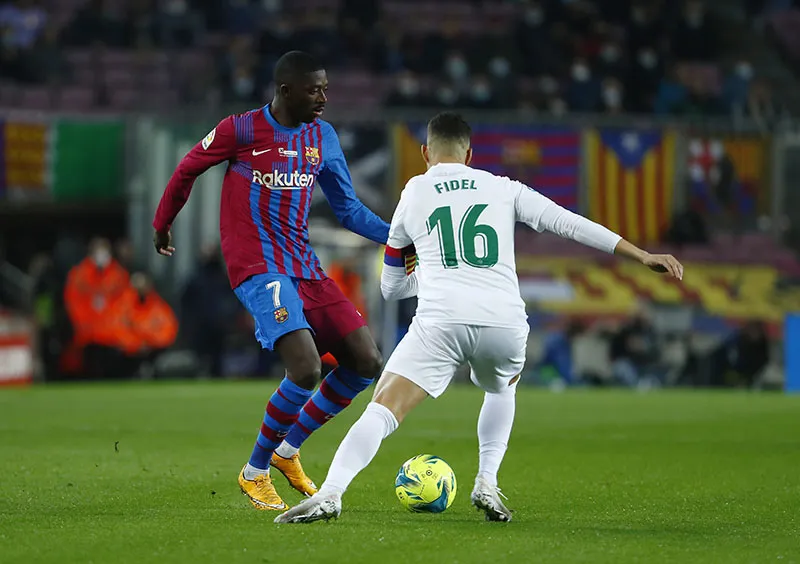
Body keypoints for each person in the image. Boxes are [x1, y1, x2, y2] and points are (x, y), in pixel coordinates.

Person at [275, 112, 684, 524]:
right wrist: (642, 255)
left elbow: (391, 288)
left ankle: (331, 493)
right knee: (502, 388)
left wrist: (432, 277)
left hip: (441, 321)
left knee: (382, 410)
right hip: (504, 322)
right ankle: (487, 481)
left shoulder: (414, 192)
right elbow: (569, 224)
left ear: (425, 153)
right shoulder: (502, 188)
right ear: (470, 154)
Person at [152, 51, 397, 511]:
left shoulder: (322, 137)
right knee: (305, 367)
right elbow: (187, 168)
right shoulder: (240, 130)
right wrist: (163, 223)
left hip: (303, 265)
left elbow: (347, 210)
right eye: (314, 89)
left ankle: (287, 453)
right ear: (285, 91)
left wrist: (398, 238)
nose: (324, 97)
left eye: (326, 87)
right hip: (257, 266)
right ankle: (254, 471)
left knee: (365, 361)